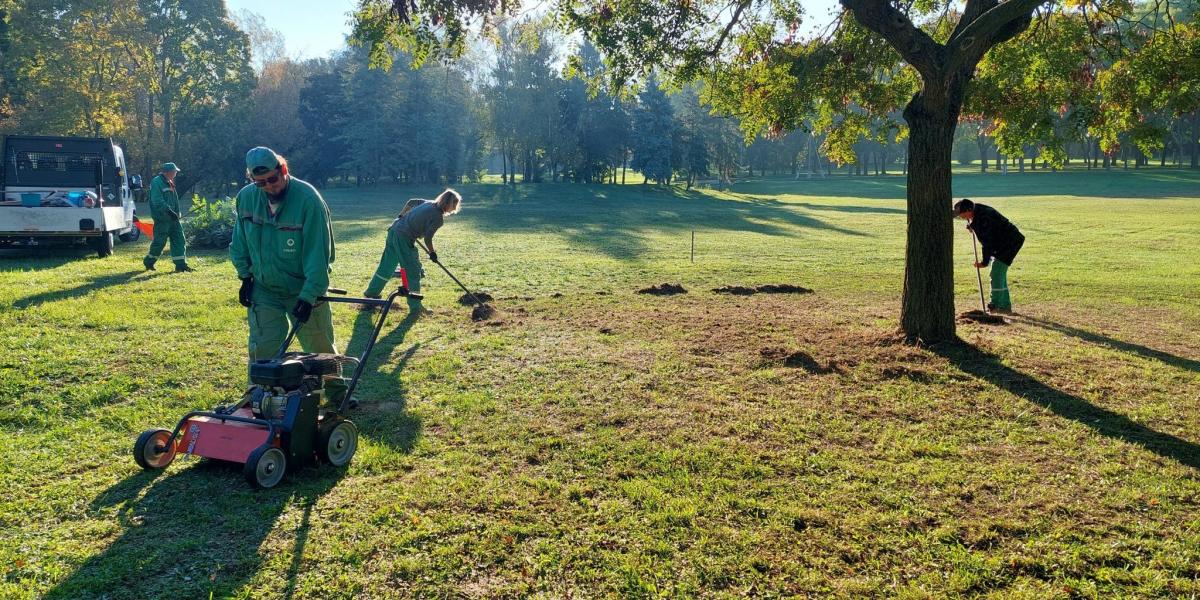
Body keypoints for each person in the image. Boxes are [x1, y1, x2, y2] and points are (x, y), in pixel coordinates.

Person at [230, 147, 351, 408]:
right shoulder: (247, 199)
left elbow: (319, 255)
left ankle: (337, 391)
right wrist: (245, 277)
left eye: (273, 179)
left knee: (318, 343)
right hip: (264, 287)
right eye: (260, 182)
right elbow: (239, 241)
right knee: (262, 344)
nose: (268, 187)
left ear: (283, 170)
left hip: (302, 286)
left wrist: (309, 296)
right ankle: (259, 395)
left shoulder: (308, 200)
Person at [363, 189, 462, 310]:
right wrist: (432, 253)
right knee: (413, 271)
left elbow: (411, 202)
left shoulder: (428, 202)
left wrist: (401, 216)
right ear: (447, 203)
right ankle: (416, 306)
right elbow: (428, 238)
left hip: (394, 230)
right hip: (404, 238)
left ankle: (371, 294)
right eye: (454, 205)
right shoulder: (438, 218)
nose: (454, 209)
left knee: (387, 266)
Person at [954, 198, 1025, 314]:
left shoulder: (984, 217)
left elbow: (987, 243)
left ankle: (996, 305)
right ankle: (1005, 305)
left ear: (969, 210)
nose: (960, 216)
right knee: (999, 272)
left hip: (1010, 242)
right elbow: (981, 227)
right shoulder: (978, 212)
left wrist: (984, 262)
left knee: (996, 272)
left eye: (961, 214)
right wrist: (973, 226)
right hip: (1004, 242)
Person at [143, 162, 193, 272]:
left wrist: (176, 213)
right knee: (159, 242)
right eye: (175, 171)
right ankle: (149, 262)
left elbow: (174, 201)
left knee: (179, 240)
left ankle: (181, 265)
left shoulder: (169, 182)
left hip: (173, 219)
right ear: (169, 172)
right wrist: (169, 211)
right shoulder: (157, 182)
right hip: (162, 219)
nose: (176, 173)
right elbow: (157, 201)